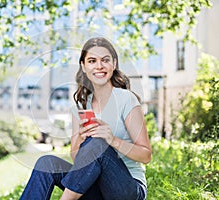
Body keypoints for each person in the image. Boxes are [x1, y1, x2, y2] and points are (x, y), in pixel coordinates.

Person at [20, 37, 152, 200]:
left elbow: (146, 156)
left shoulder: (126, 99)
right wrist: (81, 138)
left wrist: (112, 140)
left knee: (98, 143)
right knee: (46, 164)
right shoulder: (80, 107)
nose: (99, 66)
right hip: (95, 189)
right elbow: (77, 160)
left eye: (105, 60)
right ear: (83, 66)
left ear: (114, 64)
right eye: (92, 61)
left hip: (127, 189)